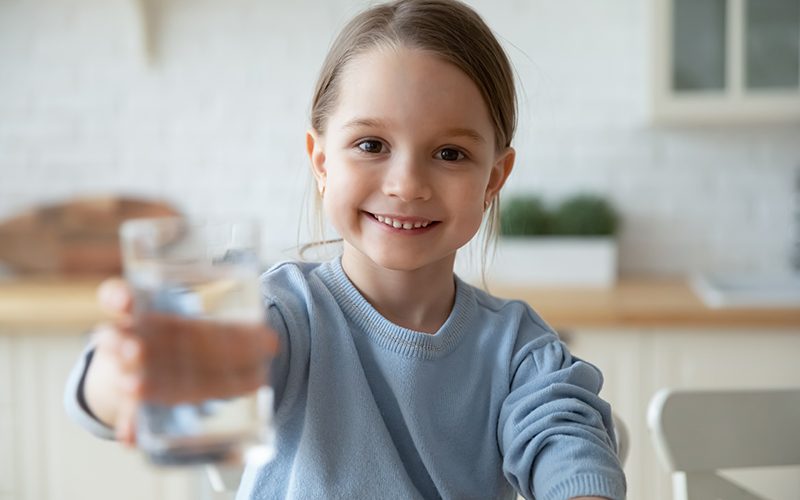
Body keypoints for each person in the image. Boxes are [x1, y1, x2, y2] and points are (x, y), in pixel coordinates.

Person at [64, 1, 627, 499]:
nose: (406, 184)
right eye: (371, 144)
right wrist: (122, 378)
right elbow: (208, 368)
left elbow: (564, 433)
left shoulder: (517, 349)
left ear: (493, 179)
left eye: (450, 153)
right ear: (321, 161)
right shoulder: (283, 315)